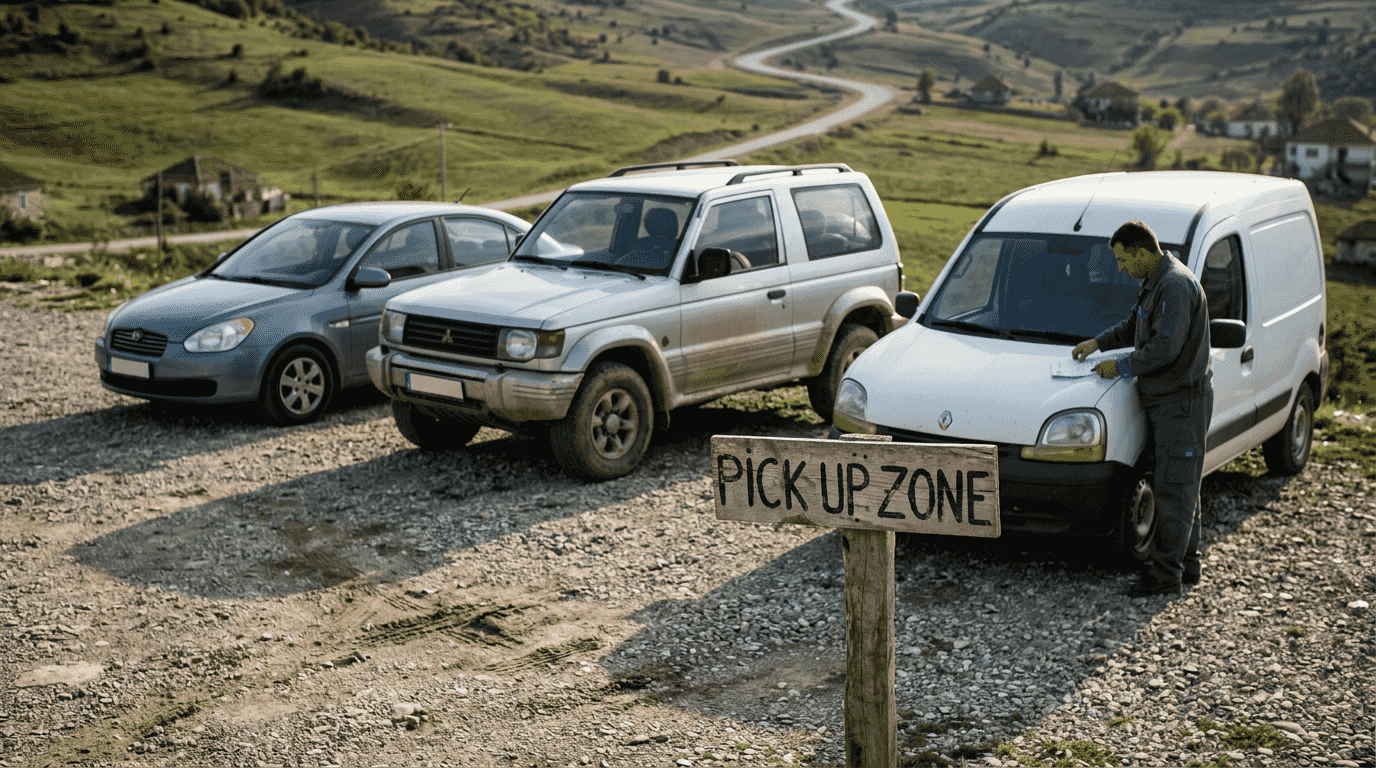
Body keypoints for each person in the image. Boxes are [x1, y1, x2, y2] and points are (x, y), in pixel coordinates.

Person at [1071, 220, 1213, 598]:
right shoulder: (1155, 282)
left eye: (1122, 259)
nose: (1120, 268)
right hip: (1169, 403)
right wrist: (1098, 343)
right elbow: (1136, 325)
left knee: (1173, 490)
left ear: (1141, 252)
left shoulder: (1175, 285)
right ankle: (1188, 564)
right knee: (1182, 486)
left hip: (1181, 404)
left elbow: (1165, 347)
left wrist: (1120, 366)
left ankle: (1165, 578)